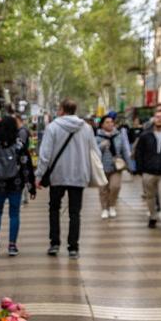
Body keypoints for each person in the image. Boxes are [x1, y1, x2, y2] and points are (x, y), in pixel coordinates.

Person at [36, 99, 96, 258]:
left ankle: (54, 244)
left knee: (54, 209)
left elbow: (45, 155)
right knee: (75, 213)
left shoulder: (53, 127)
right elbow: (94, 152)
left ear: (62, 110)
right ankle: (73, 248)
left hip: (58, 175)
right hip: (79, 176)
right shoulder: (87, 128)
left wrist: (39, 175)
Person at [0, 116, 37, 256]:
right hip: (15, 184)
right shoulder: (18, 145)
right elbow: (26, 166)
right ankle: (12, 246)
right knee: (14, 214)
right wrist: (30, 186)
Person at [95, 114, 131, 219]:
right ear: (102, 125)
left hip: (117, 166)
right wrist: (101, 145)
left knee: (115, 187)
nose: (110, 124)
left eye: (112, 122)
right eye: (107, 122)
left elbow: (124, 149)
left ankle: (112, 206)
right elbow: (93, 152)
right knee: (103, 189)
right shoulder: (97, 137)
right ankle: (104, 209)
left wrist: (129, 165)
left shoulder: (119, 135)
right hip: (101, 167)